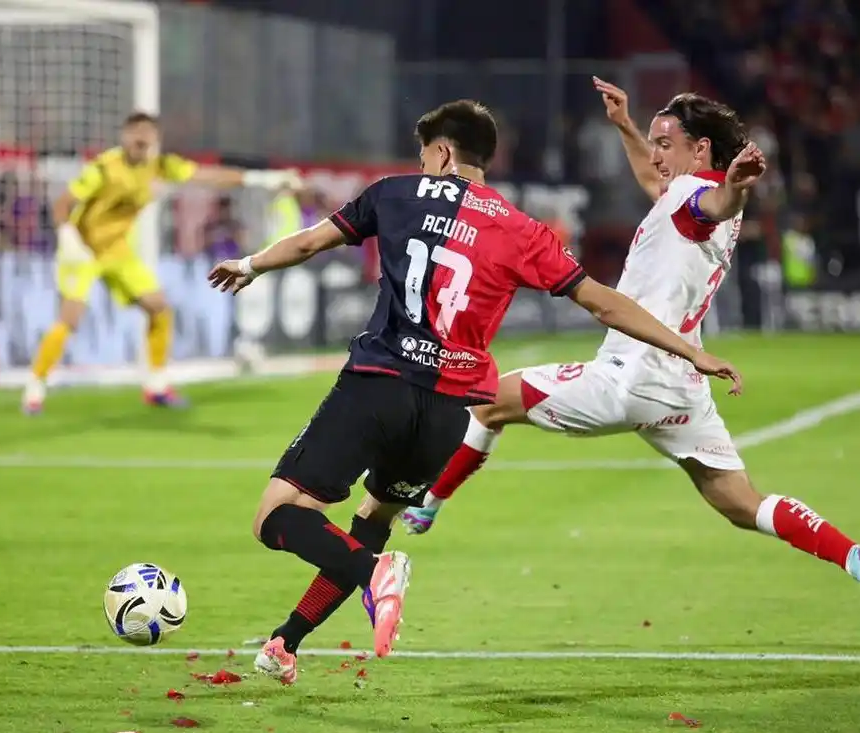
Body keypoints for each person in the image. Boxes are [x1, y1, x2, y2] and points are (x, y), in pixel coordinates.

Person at [207, 99, 742, 684]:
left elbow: (310, 242)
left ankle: (373, 574)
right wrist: (687, 347)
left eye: (424, 152)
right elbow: (601, 301)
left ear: (441, 151)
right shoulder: (521, 229)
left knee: (276, 517)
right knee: (372, 515)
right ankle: (287, 642)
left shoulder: (393, 193)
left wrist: (252, 264)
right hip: (447, 413)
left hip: (378, 384)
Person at [400, 81, 860, 586]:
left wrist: (736, 187)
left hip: (630, 377)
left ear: (700, 148)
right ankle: (851, 556)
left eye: (665, 143)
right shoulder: (685, 195)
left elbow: (715, 202)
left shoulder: (701, 197)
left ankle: (428, 503)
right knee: (742, 503)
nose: (656, 154)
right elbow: (664, 184)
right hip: (681, 388)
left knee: (488, 403)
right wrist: (624, 125)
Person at [21, 111, 300, 413]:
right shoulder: (104, 168)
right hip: (82, 250)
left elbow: (207, 177)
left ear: (155, 139)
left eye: (147, 134)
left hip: (117, 251)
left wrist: (261, 178)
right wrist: (67, 238)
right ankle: (35, 386)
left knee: (159, 307)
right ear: (125, 137)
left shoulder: (160, 166)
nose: (141, 140)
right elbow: (63, 203)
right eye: (135, 133)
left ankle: (155, 385)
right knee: (70, 318)